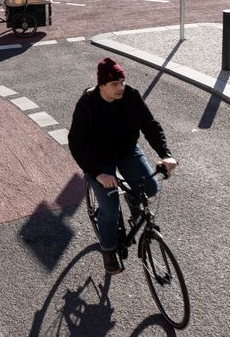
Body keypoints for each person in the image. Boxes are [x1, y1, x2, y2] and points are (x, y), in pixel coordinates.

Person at [68, 57, 178, 275]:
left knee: (151, 187)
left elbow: (150, 125)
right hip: (98, 160)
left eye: (122, 82)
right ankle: (108, 250)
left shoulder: (131, 96)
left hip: (126, 151)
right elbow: (76, 144)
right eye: (114, 84)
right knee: (109, 209)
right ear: (101, 86)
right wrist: (98, 174)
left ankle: (134, 200)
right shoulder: (87, 105)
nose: (120, 88)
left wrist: (166, 155)